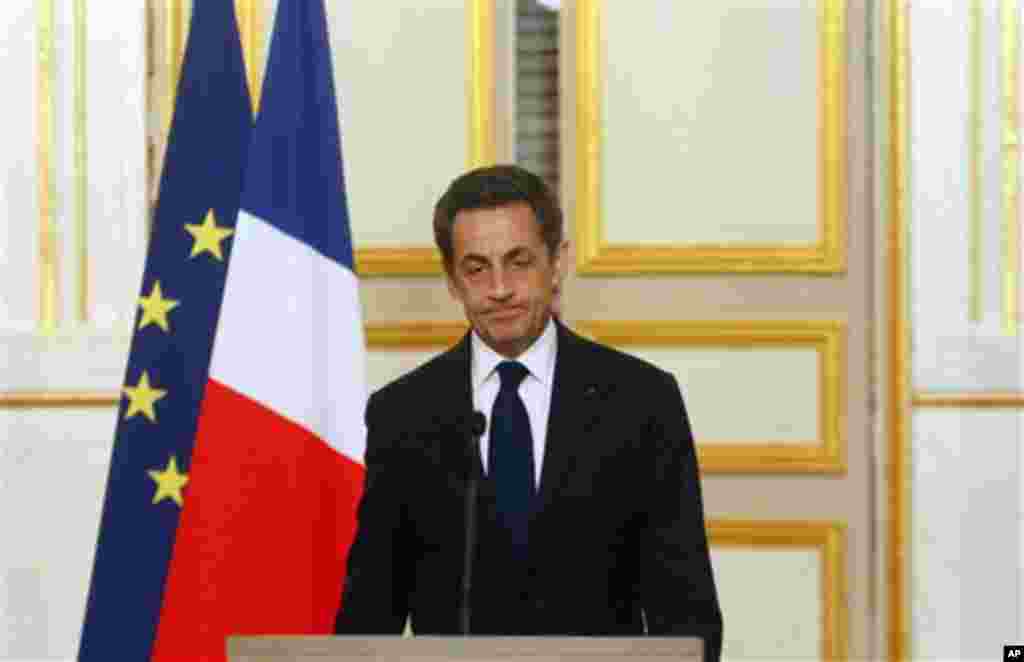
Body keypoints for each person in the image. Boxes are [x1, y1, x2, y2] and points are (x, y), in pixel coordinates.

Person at [334, 165, 722, 661]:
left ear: (556, 262)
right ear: (452, 280)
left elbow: (686, 611)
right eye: (476, 268)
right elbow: (371, 611)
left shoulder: (641, 400)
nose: (499, 288)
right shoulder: (403, 414)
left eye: (519, 262)